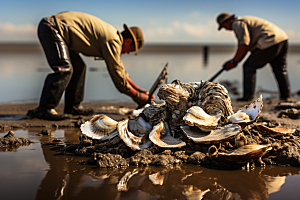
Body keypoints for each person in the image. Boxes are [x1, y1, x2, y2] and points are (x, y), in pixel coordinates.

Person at [27, 11, 154, 120]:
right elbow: (118, 78)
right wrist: (138, 97)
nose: (127, 53)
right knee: (64, 69)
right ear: (128, 41)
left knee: (79, 68)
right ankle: (45, 108)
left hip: (59, 30)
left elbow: (121, 72)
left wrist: (140, 90)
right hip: (53, 28)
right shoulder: (113, 41)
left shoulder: (112, 36)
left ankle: (73, 106)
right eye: (130, 50)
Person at [216, 12, 290, 102]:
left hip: (269, 40)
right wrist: (234, 61)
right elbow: (246, 47)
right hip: (282, 38)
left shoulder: (237, 23)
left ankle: (248, 97)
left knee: (249, 67)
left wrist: (234, 62)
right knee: (280, 69)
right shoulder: (245, 21)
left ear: (229, 20)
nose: (225, 29)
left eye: (224, 26)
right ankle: (285, 96)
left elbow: (243, 44)